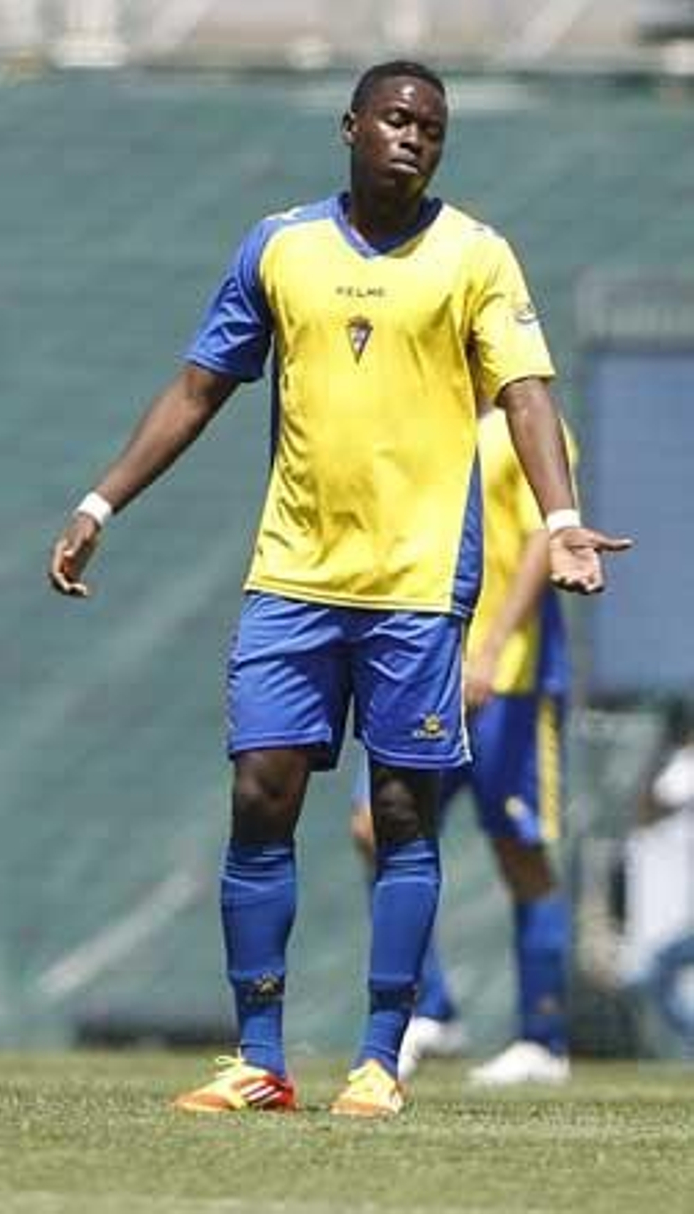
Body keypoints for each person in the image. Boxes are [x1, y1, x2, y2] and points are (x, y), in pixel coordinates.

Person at [47, 60, 630, 1117]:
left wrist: (557, 519)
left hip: (414, 589)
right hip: (293, 576)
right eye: (396, 119)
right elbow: (197, 388)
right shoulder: (280, 247)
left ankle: (377, 1056)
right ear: (349, 125)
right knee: (259, 794)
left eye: (432, 127)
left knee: (404, 812)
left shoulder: (475, 255)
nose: (412, 137)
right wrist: (99, 503)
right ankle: (258, 1057)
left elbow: (527, 395)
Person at [349, 406, 577, 1085]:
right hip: (426, 671)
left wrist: (493, 646)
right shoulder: (426, 415)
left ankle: (544, 1039)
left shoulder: (533, 424)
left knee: (518, 846)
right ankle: (435, 1010)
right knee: (374, 828)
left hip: (509, 680)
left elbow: (545, 541)